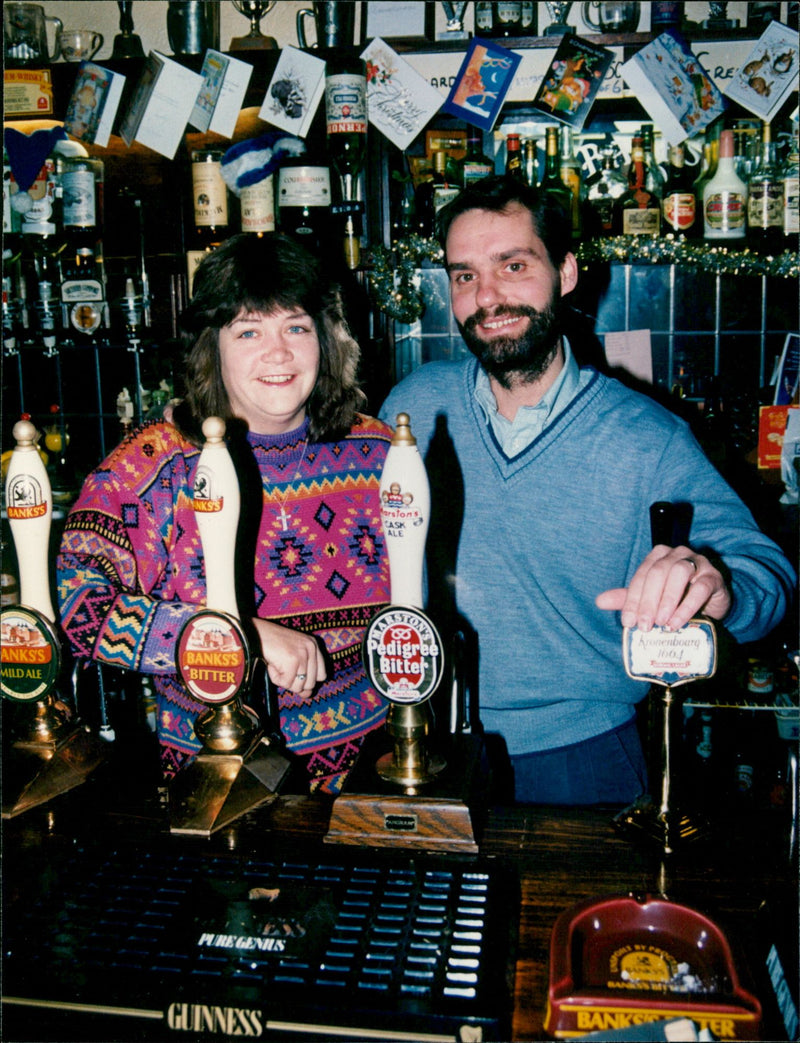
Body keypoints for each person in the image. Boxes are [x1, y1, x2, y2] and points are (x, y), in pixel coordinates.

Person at [379, 175, 796, 806]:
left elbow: (769, 578)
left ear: (566, 273)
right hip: (420, 738)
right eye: (465, 276)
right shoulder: (413, 408)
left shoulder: (648, 437)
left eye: (513, 266)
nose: (487, 297)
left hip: (583, 759)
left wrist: (715, 584)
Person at [57, 233, 392, 794]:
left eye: (296, 328)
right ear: (211, 348)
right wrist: (235, 635)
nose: (278, 353)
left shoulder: (377, 451)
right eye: (249, 332)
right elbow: (79, 606)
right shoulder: (156, 465)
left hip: (368, 780)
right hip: (216, 784)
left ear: (326, 339)